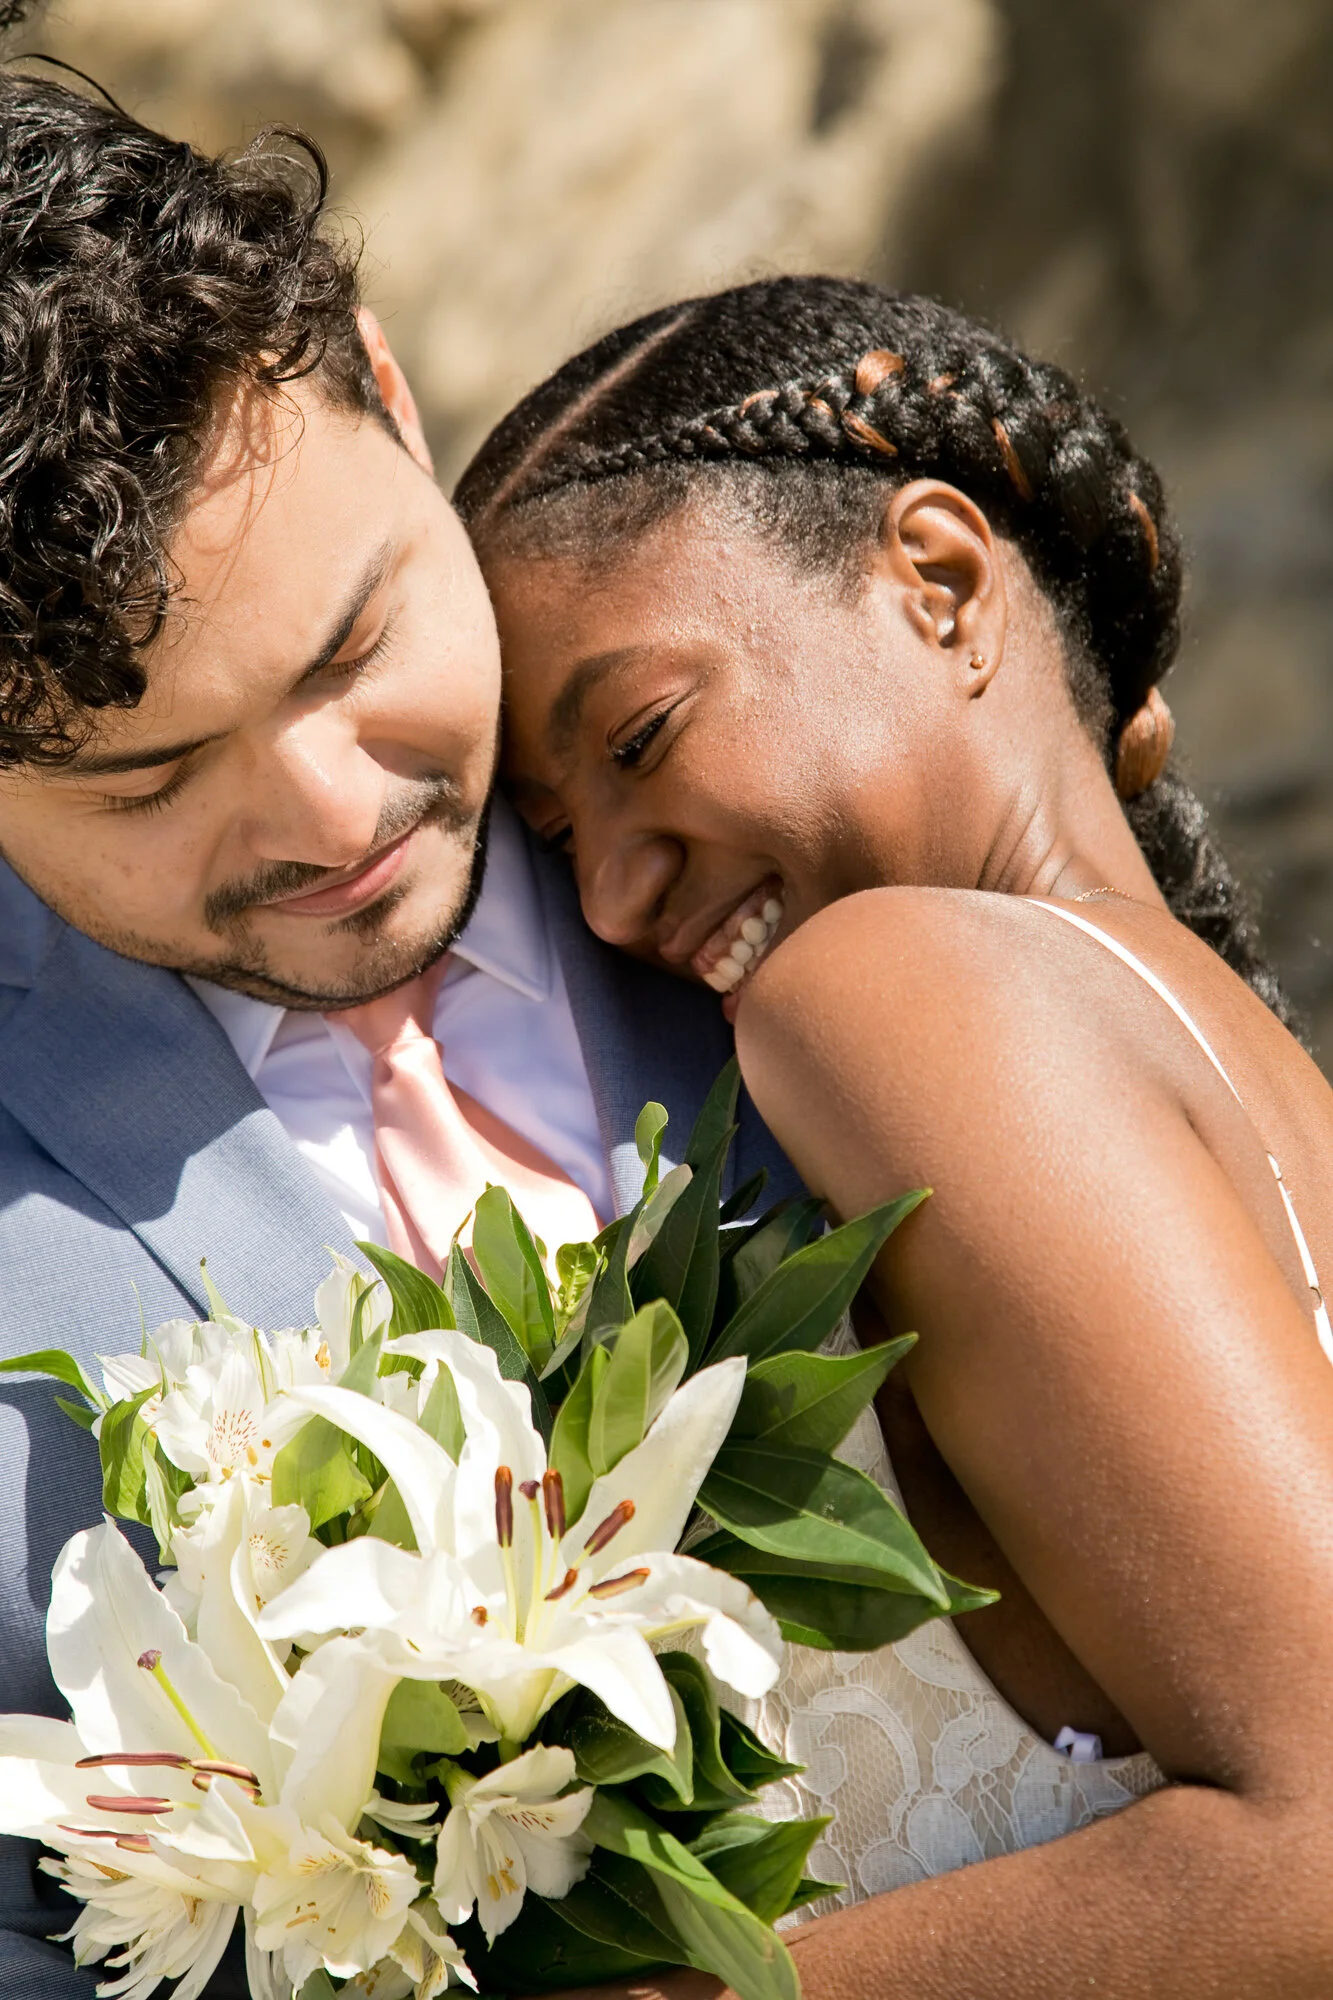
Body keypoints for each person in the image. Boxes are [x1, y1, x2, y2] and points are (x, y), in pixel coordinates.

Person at [0, 79, 796, 2000]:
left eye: (354, 649)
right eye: (152, 779)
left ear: (387, 385)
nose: (331, 815)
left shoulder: (787, 757)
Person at [456, 276, 1333, 1996]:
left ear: (935, 585)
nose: (619, 896)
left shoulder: (884, 988)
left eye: (641, 740)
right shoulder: (1260, 1080)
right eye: (559, 844)